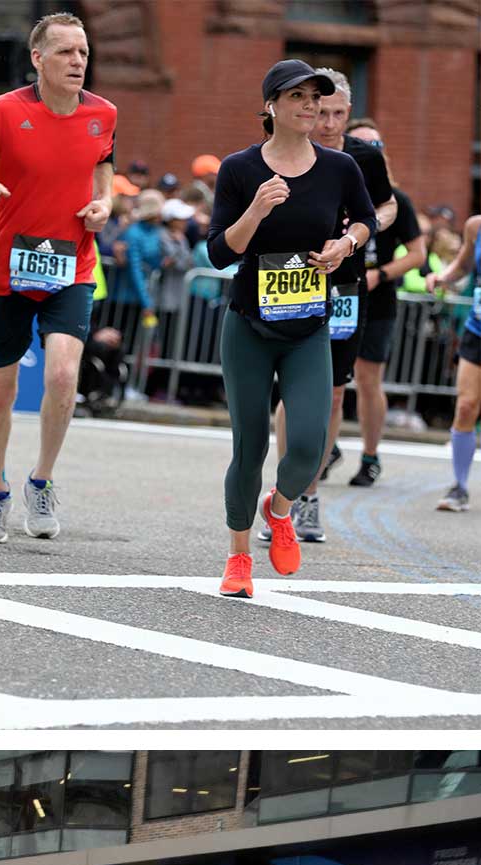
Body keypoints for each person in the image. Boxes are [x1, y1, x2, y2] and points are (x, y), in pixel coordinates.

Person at [208, 61, 375, 598]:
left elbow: (365, 220)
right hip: (249, 325)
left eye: (316, 97)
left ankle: (279, 510)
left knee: (309, 445)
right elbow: (217, 252)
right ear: (271, 107)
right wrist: (255, 210)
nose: (310, 106)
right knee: (250, 443)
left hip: (308, 327)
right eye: (298, 97)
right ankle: (237, 559)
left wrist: (344, 246)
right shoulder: (239, 169)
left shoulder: (339, 168)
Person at [255, 74, 394, 543]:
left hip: (346, 285)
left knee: (333, 392)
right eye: (323, 111)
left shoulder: (363, 158)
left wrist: (354, 233)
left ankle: (306, 493)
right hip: (289, 278)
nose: (329, 122)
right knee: (290, 392)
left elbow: (384, 209)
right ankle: (286, 490)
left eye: (339, 114)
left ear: (349, 113)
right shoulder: (286, 146)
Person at [0, 12, 116, 544]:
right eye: (66, 52)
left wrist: (105, 202)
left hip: (72, 263)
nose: (77, 61)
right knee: (0, 388)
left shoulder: (103, 114)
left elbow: (104, 164)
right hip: (7, 266)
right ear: (38, 59)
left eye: (83, 52)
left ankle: (39, 481)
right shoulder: (3, 112)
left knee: (64, 375)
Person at [345, 121, 421, 489]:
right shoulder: (332, 186)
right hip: (336, 293)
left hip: (377, 298)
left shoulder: (395, 199)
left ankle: (370, 455)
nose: (364, 151)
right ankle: (323, 449)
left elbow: (418, 254)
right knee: (326, 378)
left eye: (371, 145)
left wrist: (382, 274)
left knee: (367, 379)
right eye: (357, 144)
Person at [425, 211, 480, 511]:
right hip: (477, 330)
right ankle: (459, 487)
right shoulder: (475, 226)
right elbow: (464, 265)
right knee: (466, 406)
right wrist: (442, 277)